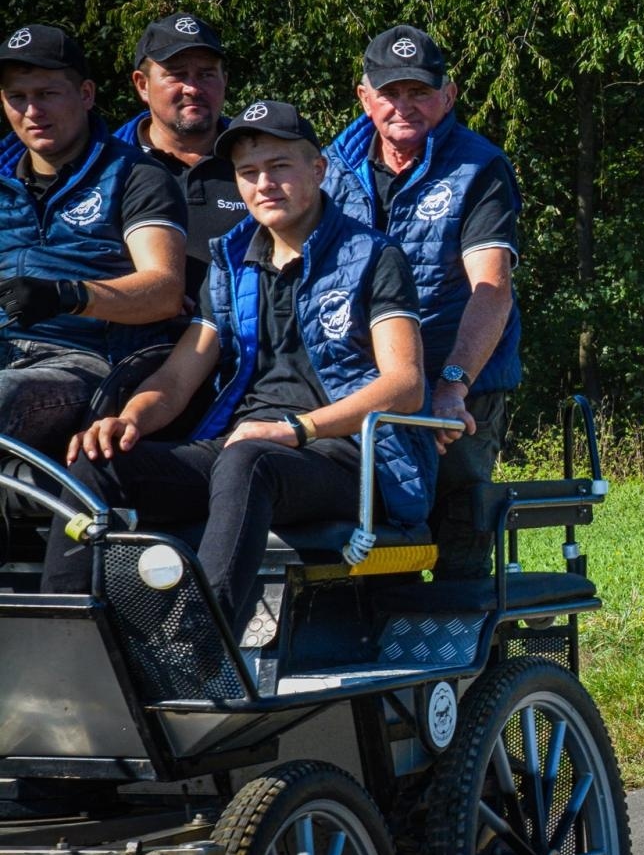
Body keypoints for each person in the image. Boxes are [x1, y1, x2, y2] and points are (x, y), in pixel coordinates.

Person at [39, 100, 433, 641]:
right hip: (243, 449)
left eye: (279, 167)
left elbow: (405, 385)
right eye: (248, 173)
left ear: (318, 169)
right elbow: (177, 379)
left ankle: (198, 650)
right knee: (97, 464)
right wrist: (128, 420)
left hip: (346, 458)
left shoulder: (374, 256)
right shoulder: (229, 262)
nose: (263, 184)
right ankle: (64, 645)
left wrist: (295, 429)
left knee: (248, 460)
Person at [322, 24, 521, 580]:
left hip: (459, 389)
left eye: (419, 91)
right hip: (361, 390)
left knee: (458, 542)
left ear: (448, 95)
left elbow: (492, 288)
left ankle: (461, 635)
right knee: (366, 544)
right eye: (390, 92)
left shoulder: (480, 167)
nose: (403, 106)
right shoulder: (326, 169)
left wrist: (452, 386)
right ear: (365, 97)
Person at [0, 23, 186, 456]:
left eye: (47, 94)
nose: (32, 111)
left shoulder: (136, 175)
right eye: (17, 97)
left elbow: (164, 290)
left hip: (82, 360)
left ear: (86, 94)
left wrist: (67, 295)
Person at [114, 12, 248, 304]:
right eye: (176, 74)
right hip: (135, 329)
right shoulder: (109, 168)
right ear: (142, 85)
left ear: (224, 80)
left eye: (206, 74)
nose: (193, 88)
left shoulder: (260, 161)